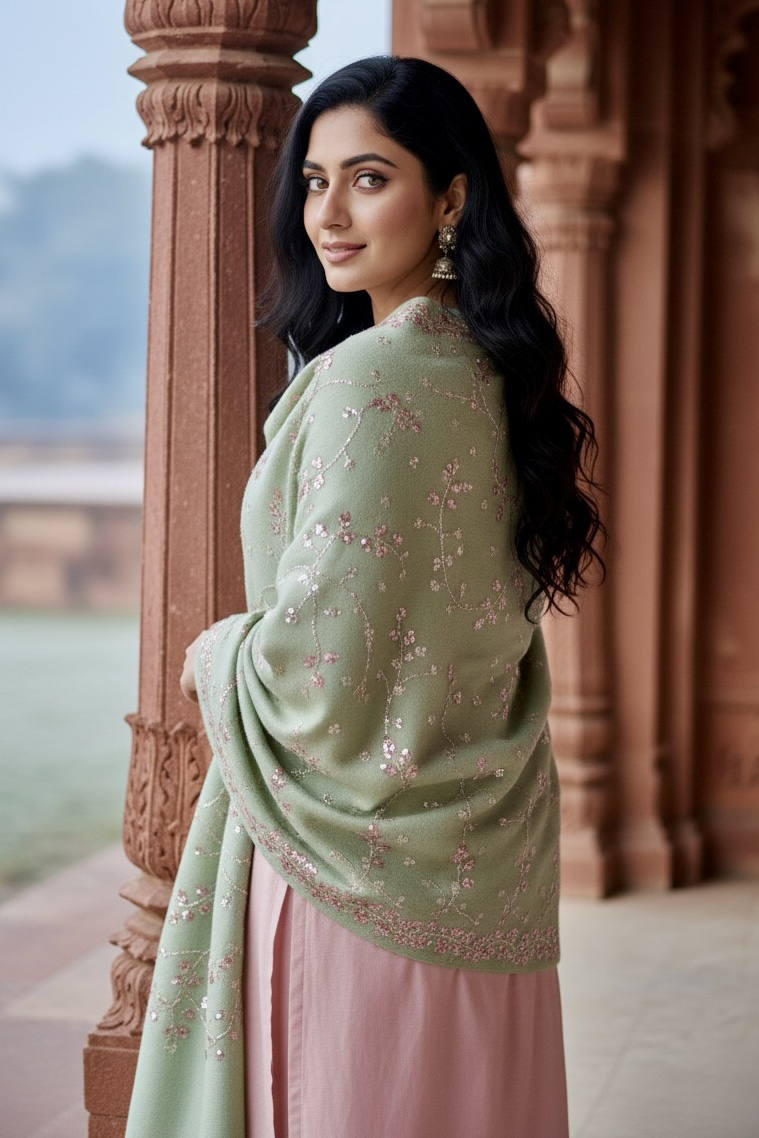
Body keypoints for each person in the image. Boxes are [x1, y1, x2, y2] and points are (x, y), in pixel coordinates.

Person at [125, 55, 604, 1138]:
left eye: (369, 178)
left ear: (452, 197)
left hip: (348, 871)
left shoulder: (365, 378)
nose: (328, 214)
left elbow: (319, 663)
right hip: (488, 860)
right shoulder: (496, 376)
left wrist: (216, 655)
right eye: (313, 181)